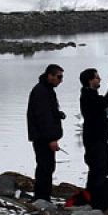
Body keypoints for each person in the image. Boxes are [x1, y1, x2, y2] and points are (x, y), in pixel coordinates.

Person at [25, 64, 66, 201]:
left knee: (47, 166)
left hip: (42, 136)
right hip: (43, 138)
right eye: (59, 77)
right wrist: (51, 139)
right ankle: (41, 197)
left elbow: (47, 112)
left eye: (61, 77)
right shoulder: (41, 91)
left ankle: (43, 196)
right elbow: (43, 118)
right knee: (45, 167)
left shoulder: (46, 89)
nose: (61, 80)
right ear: (50, 76)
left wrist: (58, 114)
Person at [78, 67, 108, 194]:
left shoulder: (91, 95)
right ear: (90, 80)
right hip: (94, 138)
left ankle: (94, 195)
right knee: (98, 168)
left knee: (99, 168)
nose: (100, 79)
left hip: (97, 137)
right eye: (97, 77)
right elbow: (105, 101)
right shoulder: (88, 96)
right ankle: (94, 196)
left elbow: (103, 102)